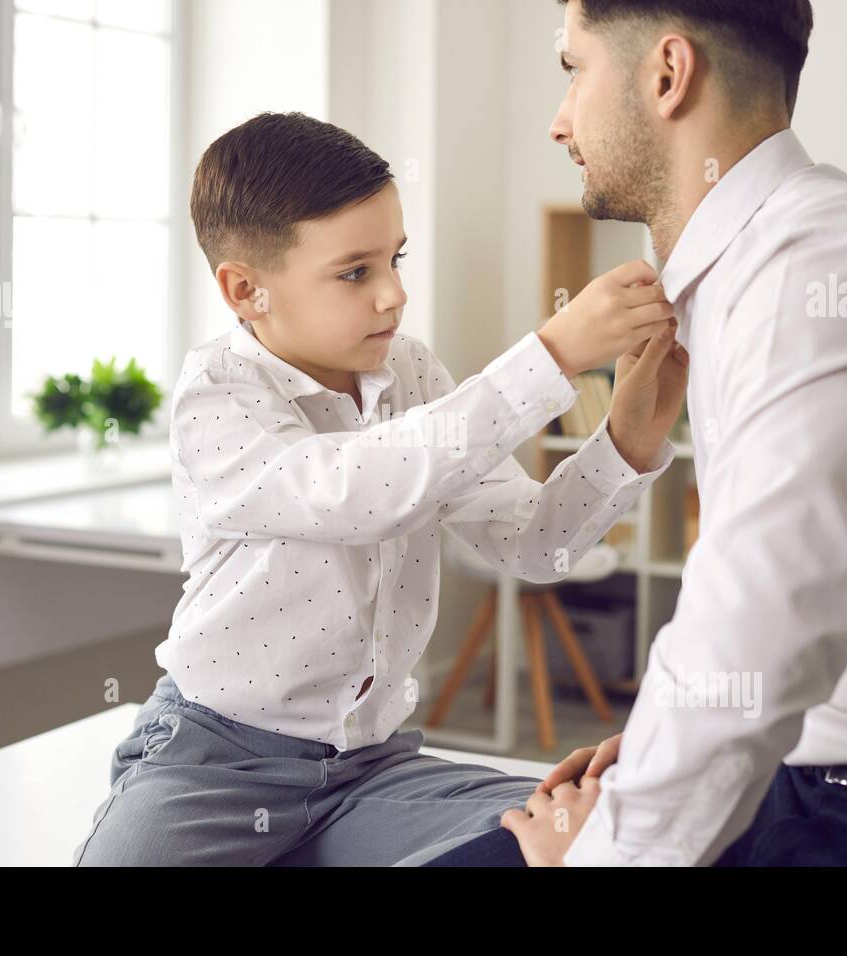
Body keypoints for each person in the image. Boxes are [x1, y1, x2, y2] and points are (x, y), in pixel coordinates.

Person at [498, 0, 847, 866]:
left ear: (667, 74)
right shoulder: (752, 270)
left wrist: (605, 854)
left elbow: (761, 620)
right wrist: (653, 757)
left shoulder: (822, 265)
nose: (557, 119)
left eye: (573, 70)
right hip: (834, 780)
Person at [73, 110, 689, 866]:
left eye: (396, 259)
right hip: (214, 763)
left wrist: (629, 439)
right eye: (356, 272)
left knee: (583, 834)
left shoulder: (413, 372)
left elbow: (535, 545)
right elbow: (352, 492)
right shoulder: (217, 394)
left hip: (370, 772)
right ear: (245, 289)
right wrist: (553, 354)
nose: (394, 295)